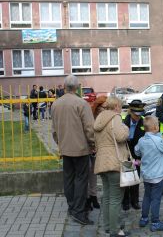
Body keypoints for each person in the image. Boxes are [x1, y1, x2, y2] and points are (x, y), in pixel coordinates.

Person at [51, 75, 95, 225]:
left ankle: (72, 207)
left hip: (65, 148)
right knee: (81, 179)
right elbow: (89, 128)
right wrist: (93, 144)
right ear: (77, 87)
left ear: (64, 86)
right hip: (81, 149)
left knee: (68, 179)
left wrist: (60, 143)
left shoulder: (56, 104)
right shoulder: (81, 103)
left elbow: (54, 131)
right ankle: (79, 211)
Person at [94, 97, 130, 237]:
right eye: (120, 106)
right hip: (115, 161)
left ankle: (108, 226)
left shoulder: (99, 118)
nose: (121, 109)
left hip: (102, 161)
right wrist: (126, 128)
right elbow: (121, 137)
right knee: (115, 199)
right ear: (115, 106)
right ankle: (115, 231)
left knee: (108, 196)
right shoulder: (116, 117)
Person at [135, 116, 163, 232]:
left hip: (147, 175)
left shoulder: (142, 140)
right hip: (158, 175)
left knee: (147, 196)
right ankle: (156, 222)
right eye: (157, 124)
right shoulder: (158, 141)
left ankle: (144, 218)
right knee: (156, 199)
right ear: (155, 127)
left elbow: (136, 151)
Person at [84, 96, 108, 211]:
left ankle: (93, 196)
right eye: (104, 107)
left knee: (94, 173)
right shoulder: (91, 116)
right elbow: (88, 133)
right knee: (88, 173)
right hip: (89, 148)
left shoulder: (106, 117)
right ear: (98, 107)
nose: (106, 109)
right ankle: (88, 197)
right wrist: (92, 146)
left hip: (101, 148)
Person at [122, 100, 146, 211]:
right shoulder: (123, 122)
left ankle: (134, 200)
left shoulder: (143, 122)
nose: (138, 117)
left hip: (137, 155)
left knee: (136, 177)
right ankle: (125, 200)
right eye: (136, 114)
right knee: (126, 178)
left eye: (140, 114)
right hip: (126, 153)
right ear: (130, 112)